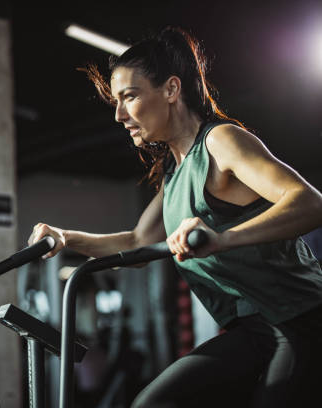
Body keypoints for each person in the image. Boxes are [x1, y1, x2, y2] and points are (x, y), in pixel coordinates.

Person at [29, 27, 322, 407]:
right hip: (254, 330)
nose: (119, 115)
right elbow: (137, 242)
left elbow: (309, 202)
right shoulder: (175, 170)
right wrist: (68, 238)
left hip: (302, 321)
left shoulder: (221, 142)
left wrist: (223, 237)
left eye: (130, 97)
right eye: (116, 102)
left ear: (170, 90)